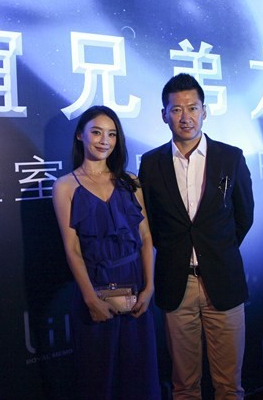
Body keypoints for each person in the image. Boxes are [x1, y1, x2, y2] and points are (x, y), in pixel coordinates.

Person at [138, 73, 254, 399]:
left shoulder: (231, 157)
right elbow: (151, 223)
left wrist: (216, 250)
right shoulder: (151, 163)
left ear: (205, 111)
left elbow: (244, 216)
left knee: (228, 385)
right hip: (177, 283)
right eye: (176, 109)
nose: (185, 117)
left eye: (192, 108)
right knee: (184, 385)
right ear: (164, 115)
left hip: (223, 279)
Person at [52, 105, 161, 400]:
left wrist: (149, 288)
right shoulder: (65, 186)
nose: (105, 141)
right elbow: (72, 249)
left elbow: (146, 237)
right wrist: (90, 299)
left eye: (112, 134)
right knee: (99, 379)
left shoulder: (130, 182)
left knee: (139, 376)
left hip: (136, 288)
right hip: (94, 289)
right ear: (80, 135)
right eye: (97, 132)